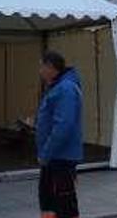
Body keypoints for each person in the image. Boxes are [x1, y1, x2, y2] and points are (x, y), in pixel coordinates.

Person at [36, 51, 83, 218]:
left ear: (50, 67)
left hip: (60, 157)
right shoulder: (58, 87)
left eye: (41, 66)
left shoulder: (65, 89)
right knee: (49, 201)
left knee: (63, 203)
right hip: (54, 157)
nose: (40, 70)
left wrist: (46, 153)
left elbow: (63, 125)